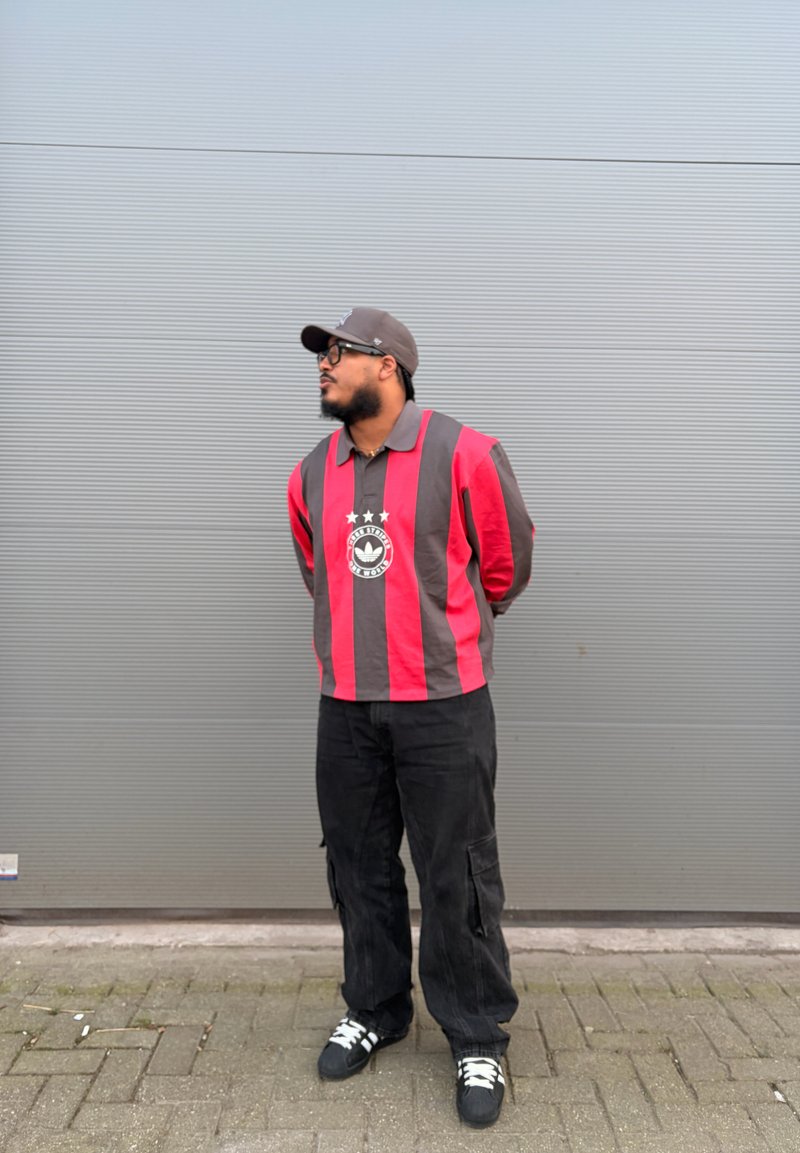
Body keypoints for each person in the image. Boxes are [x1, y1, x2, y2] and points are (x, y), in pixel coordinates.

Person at [287, 307, 534, 1128]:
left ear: (387, 367)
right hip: (346, 707)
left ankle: (474, 1034)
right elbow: (317, 571)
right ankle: (378, 1008)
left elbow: (503, 563)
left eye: (338, 354)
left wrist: (442, 628)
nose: (323, 366)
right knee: (357, 867)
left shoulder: (465, 453)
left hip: (445, 706)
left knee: (458, 873)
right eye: (321, 356)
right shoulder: (309, 473)